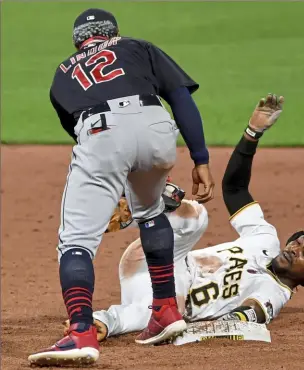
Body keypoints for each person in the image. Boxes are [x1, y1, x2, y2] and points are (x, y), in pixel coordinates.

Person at [64, 93, 304, 342]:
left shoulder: (275, 292)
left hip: (162, 297)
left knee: (159, 315)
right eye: (300, 242)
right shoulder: (265, 238)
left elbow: (250, 314)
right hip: (157, 258)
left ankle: (97, 321)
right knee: (196, 215)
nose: (295, 248)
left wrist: (232, 321)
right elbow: (234, 188)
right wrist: (252, 133)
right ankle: (145, 201)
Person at [29, 8, 214, 367]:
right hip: (157, 126)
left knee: (76, 240)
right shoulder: (138, 47)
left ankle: (81, 331)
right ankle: (165, 310)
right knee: (151, 211)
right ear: (113, 33)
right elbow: (180, 99)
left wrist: (112, 182)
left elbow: (85, 136)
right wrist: (201, 159)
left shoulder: (63, 72)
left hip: (101, 132)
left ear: (78, 42)